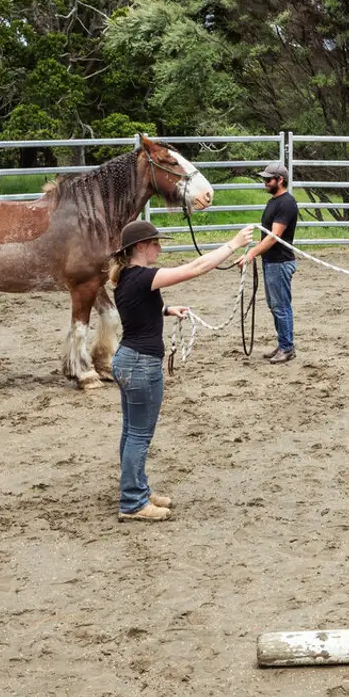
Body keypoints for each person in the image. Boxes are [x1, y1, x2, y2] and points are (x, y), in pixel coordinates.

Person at [107, 219, 258, 522]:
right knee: (139, 435)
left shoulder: (127, 277)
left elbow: (135, 307)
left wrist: (165, 310)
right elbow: (196, 268)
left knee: (131, 431)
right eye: (155, 244)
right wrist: (234, 244)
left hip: (127, 360)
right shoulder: (142, 276)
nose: (160, 248)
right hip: (141, 364)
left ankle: (136, 488)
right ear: (140, 247)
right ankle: (133, 501)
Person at [238, 162, 300, 363]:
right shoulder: (274, 202)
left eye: (268, 179)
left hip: (280, 262)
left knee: (280, 306)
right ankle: (284, 343)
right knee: (276, 306)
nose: (264, 182)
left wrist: (252, 253)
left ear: (280, 180)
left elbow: (274, 236)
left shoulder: (286, 203)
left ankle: (287, 347)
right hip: (272, 261)